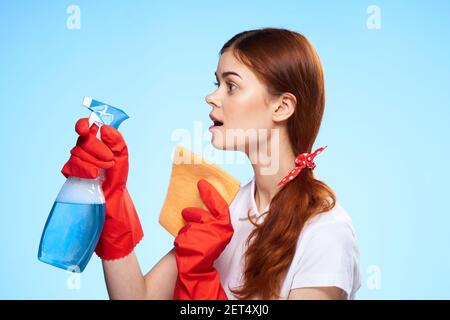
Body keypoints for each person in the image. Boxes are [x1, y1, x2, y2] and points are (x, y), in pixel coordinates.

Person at [61, 27, 361, 300]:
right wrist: (112, 203)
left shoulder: (326, 231)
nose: (211, 97)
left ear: (281, 107)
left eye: (231, 86)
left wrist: (201, 282)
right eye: (216, 83)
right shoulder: (222, 208)